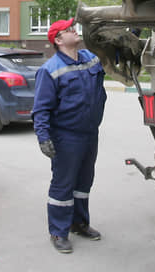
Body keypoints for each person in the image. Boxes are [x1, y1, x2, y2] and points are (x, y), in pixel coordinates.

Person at [32, 18, 107, 254]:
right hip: (66, 136)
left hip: (89, 133)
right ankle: (58, 231)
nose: (74, 30)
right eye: (68, 29)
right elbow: (41, 109)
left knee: (84, 182)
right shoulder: (50, 69)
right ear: (58, 39)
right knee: (63, 185)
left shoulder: (90, 58)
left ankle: (79, 223)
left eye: (73, 27)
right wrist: (43, 137)